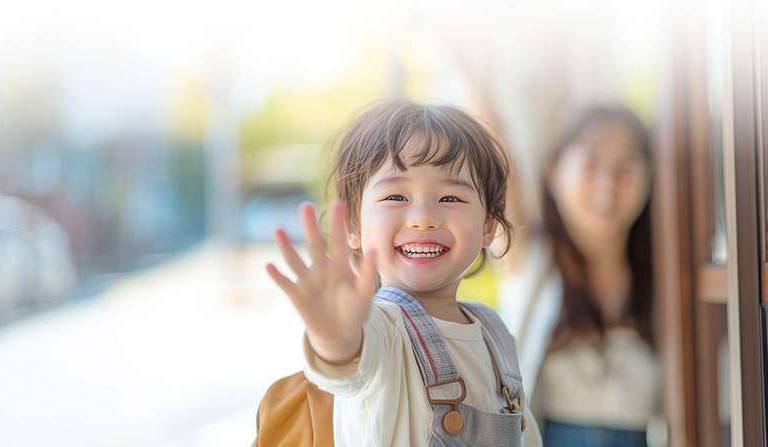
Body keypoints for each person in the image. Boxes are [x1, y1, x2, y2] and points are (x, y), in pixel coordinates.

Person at [266, 99, 541, 446]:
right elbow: (349, 363)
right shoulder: (382, 326)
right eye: (396, 195)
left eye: (451, 198)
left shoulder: (496, 335)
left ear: (488, 226)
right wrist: (334, 339)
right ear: (353, 225)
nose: (423, 218)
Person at [498, 105, 659, 447]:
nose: (608, 183)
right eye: (591, 164)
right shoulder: (532, 259)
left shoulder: (663, 277)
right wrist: (475, 83)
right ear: (554, 174)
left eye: (626, 166)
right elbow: (498, 163)